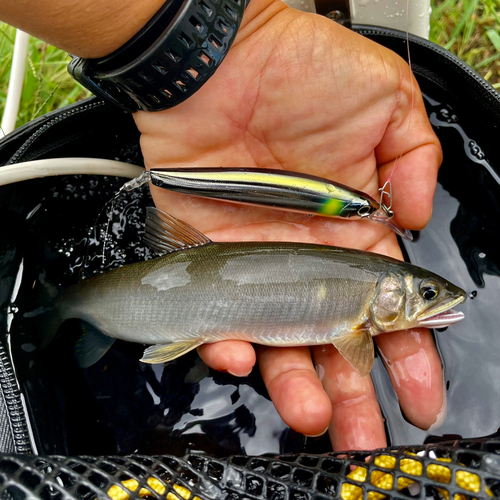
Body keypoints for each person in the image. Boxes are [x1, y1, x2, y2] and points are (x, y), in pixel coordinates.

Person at [0, 0, 443, 451]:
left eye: (427, 295)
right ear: (386, 292)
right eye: (426, 294)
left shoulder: (361, 307)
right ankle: (61, 306)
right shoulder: (359, 320)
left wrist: (220, 37)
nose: (431, 300)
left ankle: (62, 307)